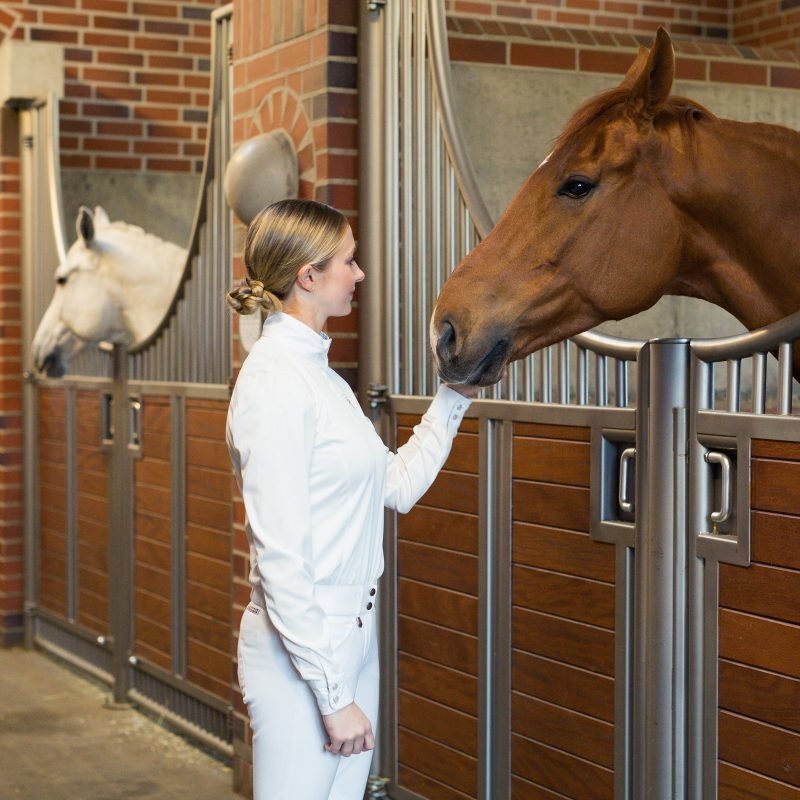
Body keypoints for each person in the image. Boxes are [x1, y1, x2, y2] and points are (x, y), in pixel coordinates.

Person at [226, 199, 476, 800]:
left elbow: (396, 486)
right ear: (308, 277)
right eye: (349, 261)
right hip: (303, 654)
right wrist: (334, 697)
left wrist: (456, 393)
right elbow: (281, 556)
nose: (359, 274)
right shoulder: (275, 386)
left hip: (353, 634)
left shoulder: (323, 379)